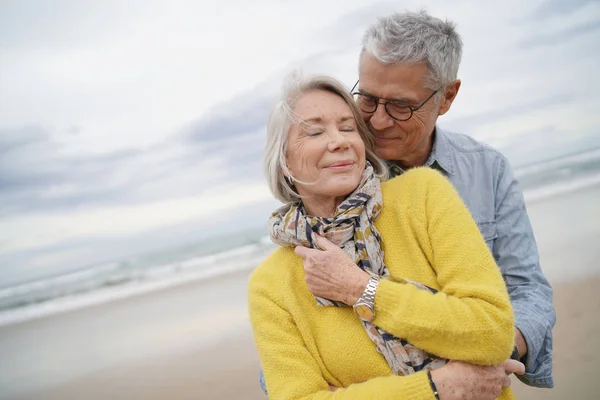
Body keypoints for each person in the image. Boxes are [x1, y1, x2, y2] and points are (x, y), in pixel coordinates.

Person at [248, 72, 522, 400]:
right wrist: (435, 388)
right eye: (316, 131)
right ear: (284, 164)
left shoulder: (423, 195)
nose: (339, 141)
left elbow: (493, 332)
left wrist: (362, 290)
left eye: (348, 128)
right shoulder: (271, 286)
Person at [351, 10, 555, 388]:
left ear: (447, 96)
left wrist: (492, 355)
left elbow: (528, 290)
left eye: (400, 105)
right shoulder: (333, 177)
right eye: (366, 98)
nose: (377, 121)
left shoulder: (488, 170)